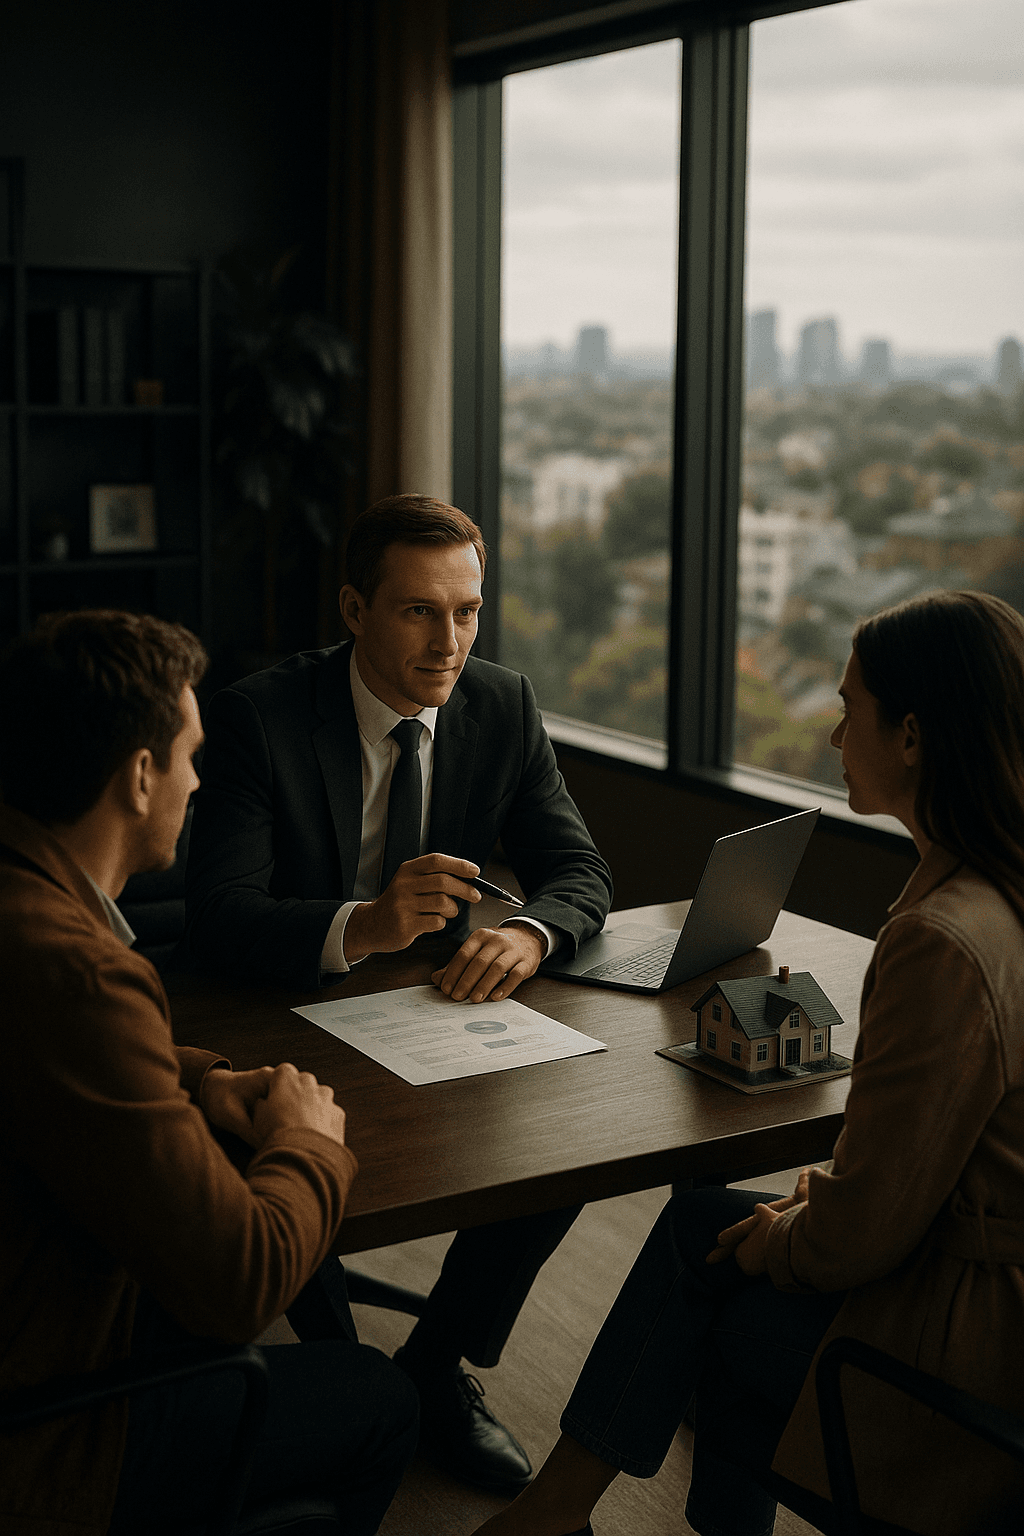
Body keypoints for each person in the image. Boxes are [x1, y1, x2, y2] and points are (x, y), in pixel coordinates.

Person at [470, 589, 1024, 1536]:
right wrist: (811, 1210)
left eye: (850, 710)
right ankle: (559, 1513)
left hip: (964, 1341)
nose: (831, 735)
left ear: (915, 736)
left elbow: (868, 1234)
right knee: (707, 1234)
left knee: (716, 1272)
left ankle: (555, 1512)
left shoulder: (944, 938)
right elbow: (923, 1170)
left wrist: (790, 1235)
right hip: (980, 1281)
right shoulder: (995, 892)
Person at [184, 493, 614, 1494]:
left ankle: (431, 1366)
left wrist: (526, 928)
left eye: (466, 611)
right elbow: (219, 916)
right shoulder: (262, 715)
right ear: (354, 608)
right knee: (318, 1159)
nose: (450, 640)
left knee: (567, 1149)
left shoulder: (500, 703)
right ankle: (348, 1373)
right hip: (283, 1011)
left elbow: (581, 871)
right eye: (420, 611)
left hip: (432, 1013)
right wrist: (362, 925)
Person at [0, 610, 418, 1536]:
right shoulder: (79, 969)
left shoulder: (23, 903)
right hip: (42, 1433)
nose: (198, 779)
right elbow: (239, 1285)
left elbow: (42, 1049)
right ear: (139, 775)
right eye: (187, 756)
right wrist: (308, 1144)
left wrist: (196, 1080)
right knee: (378, 1395)